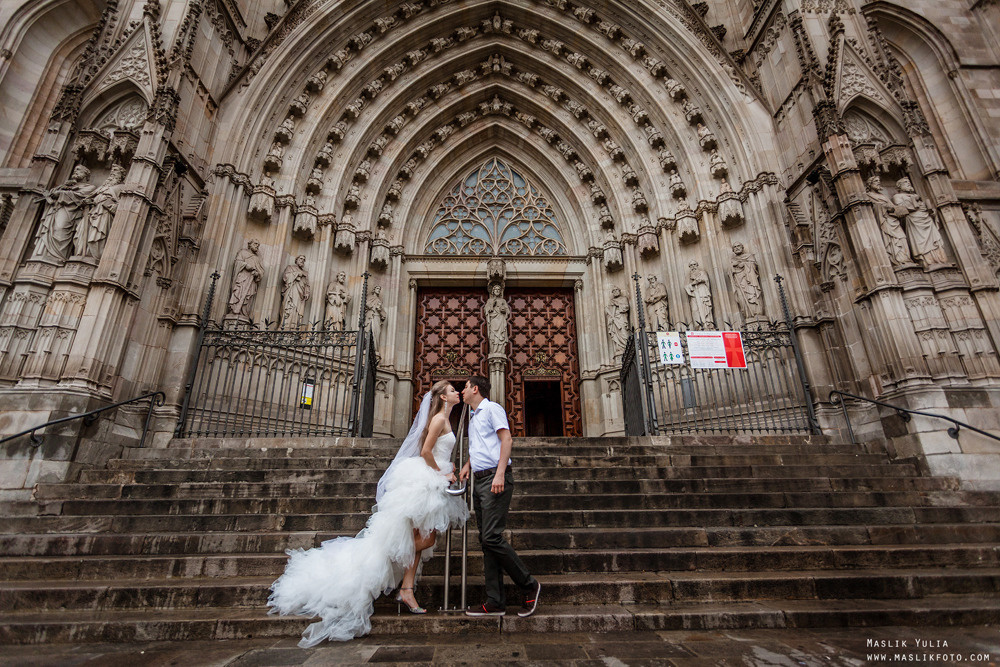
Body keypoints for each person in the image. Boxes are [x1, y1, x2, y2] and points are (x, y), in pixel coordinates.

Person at [268, 380, 468, 645]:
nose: (457, 392)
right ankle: (386, 554)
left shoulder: (444, 418)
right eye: (453, 390)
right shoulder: (439, 420)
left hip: (433, 480)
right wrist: (442, 472)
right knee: (425, 539)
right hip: (426, 480)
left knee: (422, 537)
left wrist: (448, 468)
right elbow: (425, 451)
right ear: (443, 396)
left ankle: (406, 589)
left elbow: (438, 451)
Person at [459, 375, 541, 618]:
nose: (461, 390)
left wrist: (500, 473)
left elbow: (506, 439)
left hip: (495, 478)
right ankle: (495, 600)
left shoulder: (492, 408)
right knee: (486, 542)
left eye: (464, 387)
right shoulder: (473, 416)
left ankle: (529, 585)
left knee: (492, 537)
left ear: (475, 389)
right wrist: (467, 464)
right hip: (480, 477)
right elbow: (483, 446)